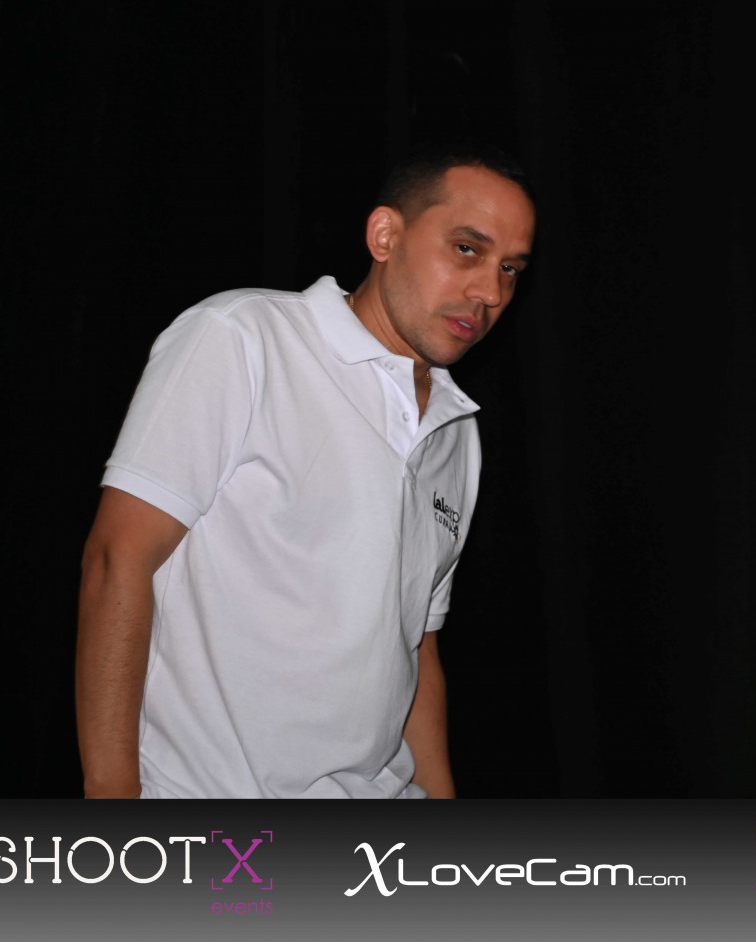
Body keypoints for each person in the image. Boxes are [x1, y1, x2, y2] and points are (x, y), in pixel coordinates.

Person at [75, 144, 536, 798]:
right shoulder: (243, 337)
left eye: (510, 269)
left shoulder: (456, 428)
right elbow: (116, 560)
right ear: (385, 235)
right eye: (467, 249)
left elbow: (416, 646)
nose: (490, 292)